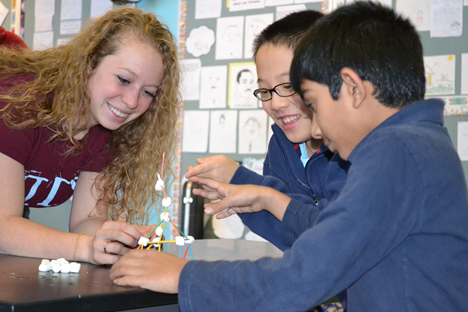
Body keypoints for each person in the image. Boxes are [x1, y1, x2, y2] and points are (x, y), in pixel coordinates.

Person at [110, 2, 468, 311]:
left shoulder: (396, 152)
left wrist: (183, 276)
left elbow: (304, 275)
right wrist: (266, 197)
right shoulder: (418, 145)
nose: (316, 129)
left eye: (311, 101)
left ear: (354, 89)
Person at [0, 7, 180, 265]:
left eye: (148, 93)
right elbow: (4, 229)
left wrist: (115, 240)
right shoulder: (16, 105)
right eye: (124, 80)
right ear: (89, 63)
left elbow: (87, 220)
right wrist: (85, 247)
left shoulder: (109, 131)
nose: (131, 102)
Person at [185, 10, 348, 252]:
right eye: (265, 91)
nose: (276, 103)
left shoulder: (352, 149)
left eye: (289, 85)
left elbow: (339, 236)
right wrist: (239, 192)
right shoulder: (280, 147)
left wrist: (247, 183)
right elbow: (289, 237)